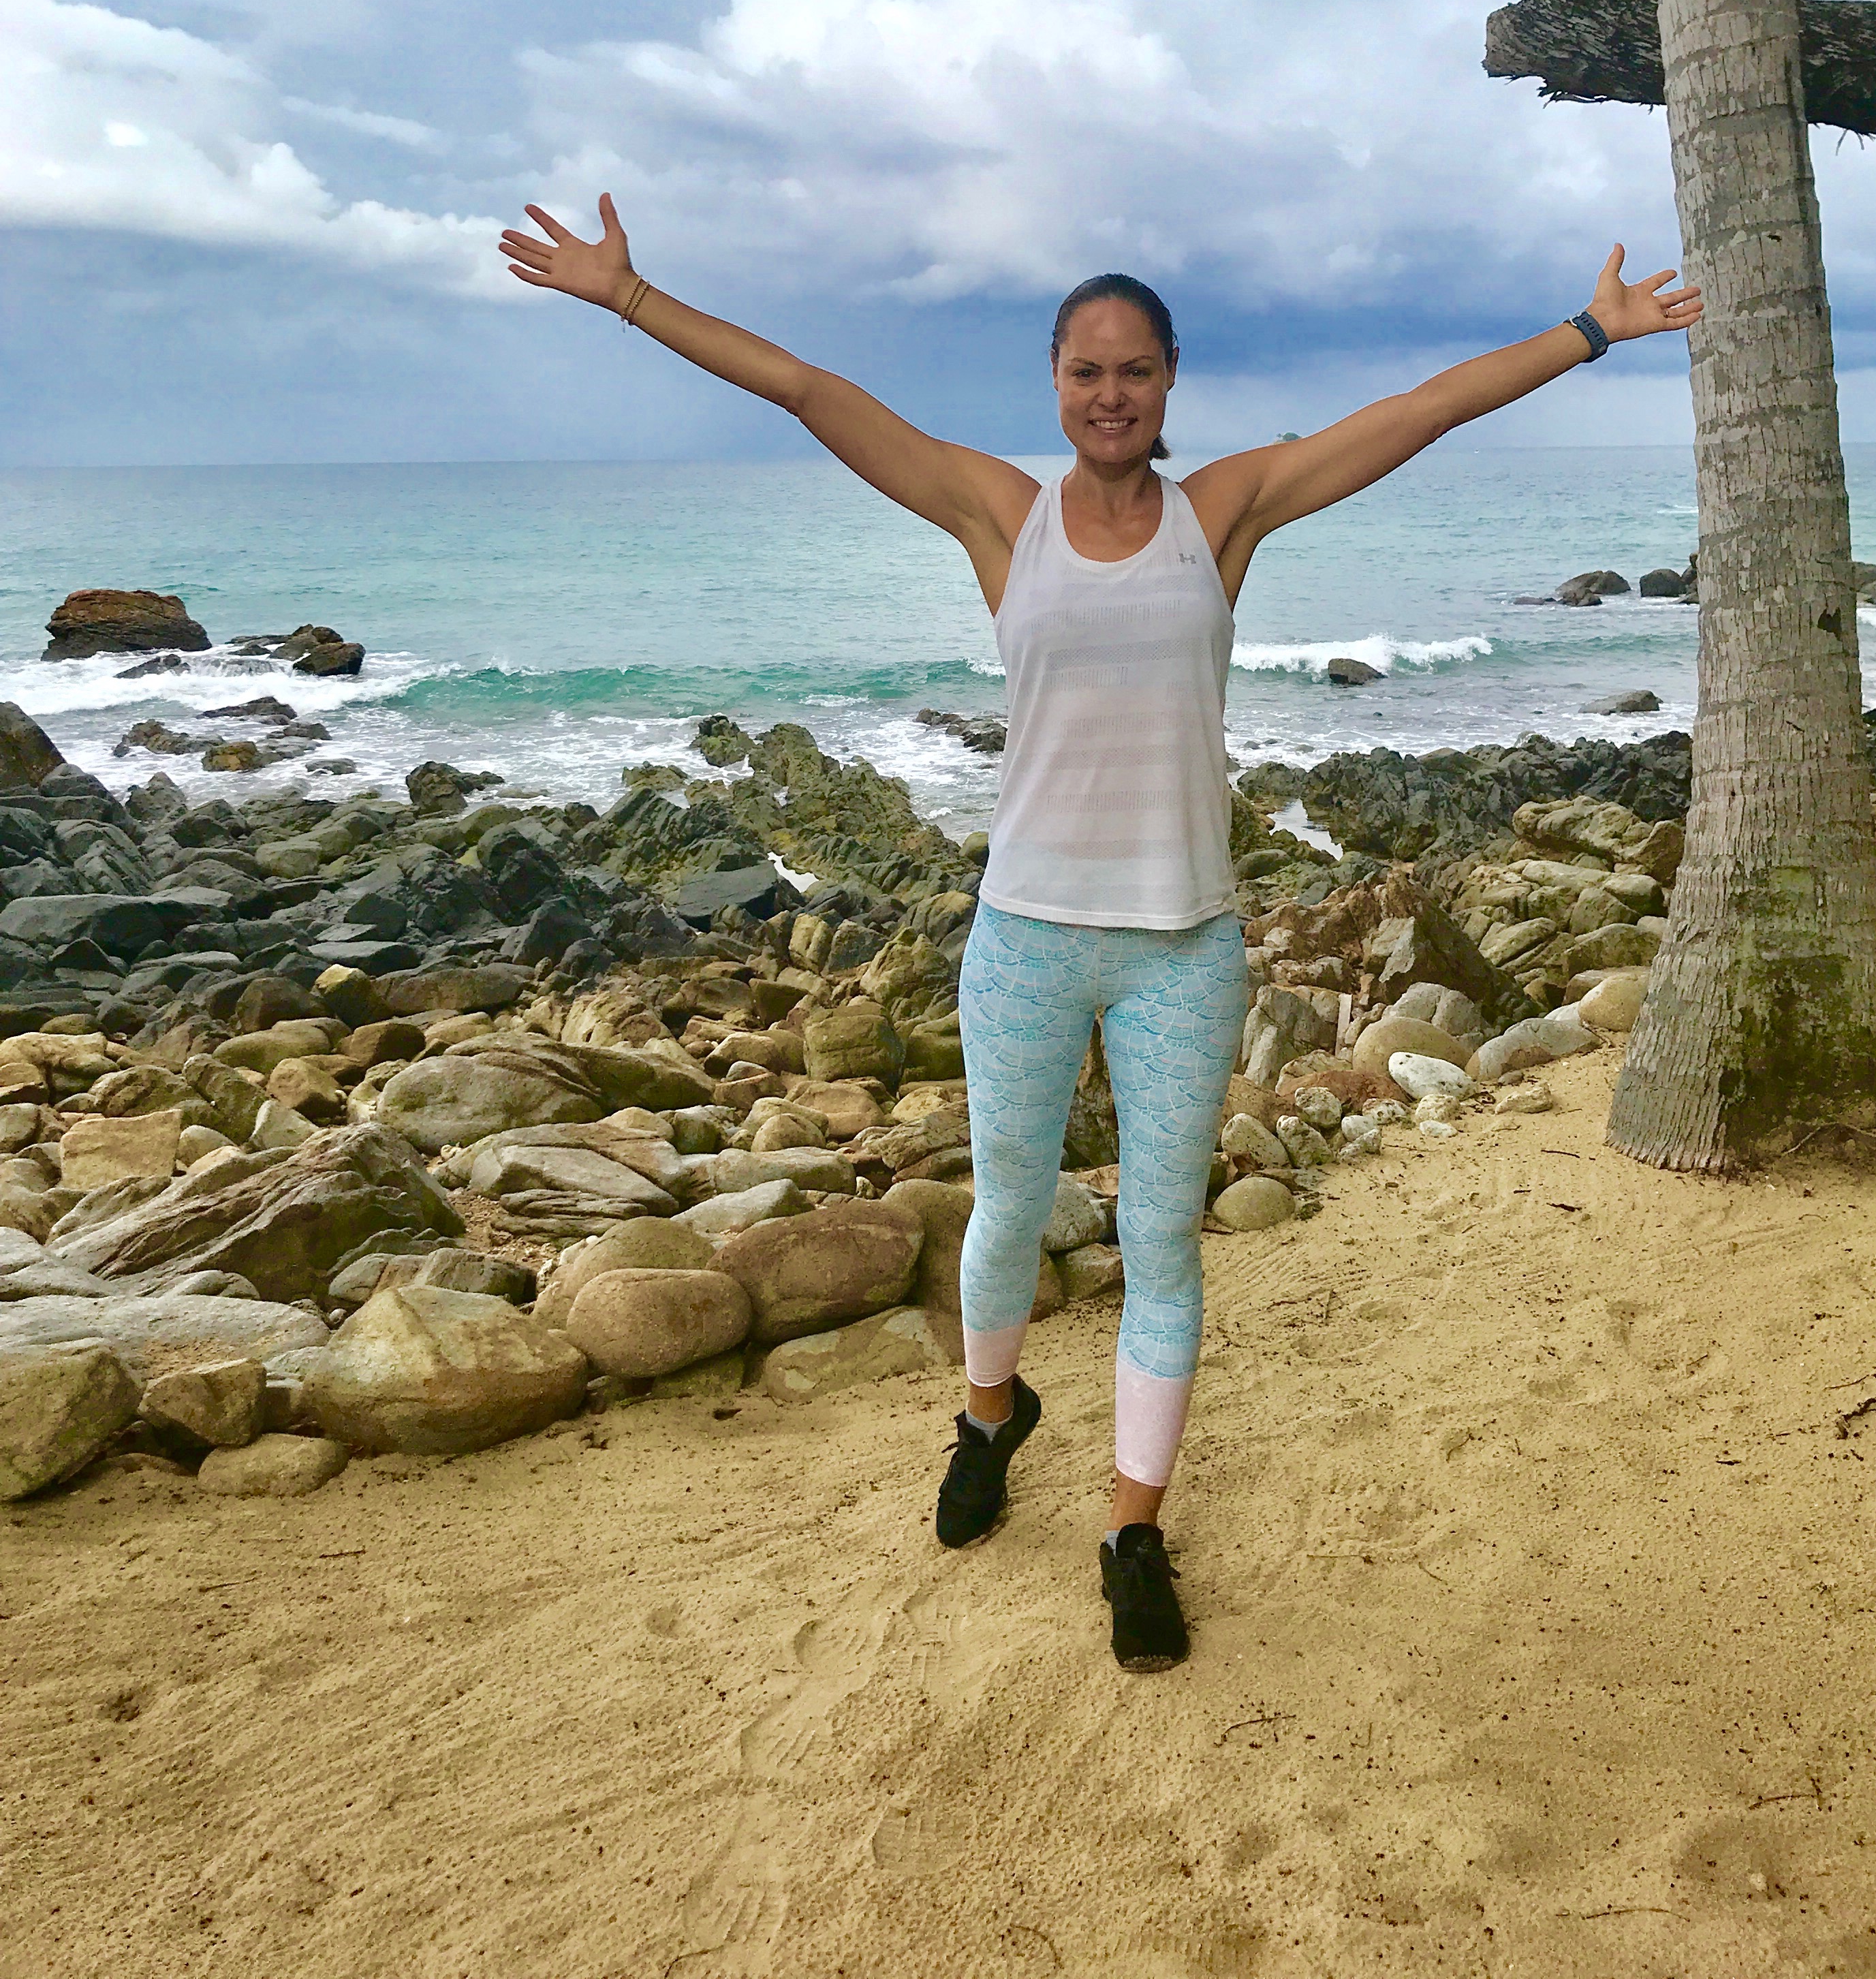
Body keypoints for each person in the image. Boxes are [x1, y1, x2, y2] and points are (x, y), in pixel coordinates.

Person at [499, 193, 1702, 1670]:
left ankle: (1134, 1529)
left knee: (1161, 1245)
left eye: (1135, 370)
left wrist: (1592, 333)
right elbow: (811, 391)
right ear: (1054, 385)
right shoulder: (999, 514)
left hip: (1181, 945)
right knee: (1006, 1214)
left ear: (1171, 380)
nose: (1111, 394)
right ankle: (991, 1417)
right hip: (1025, 940)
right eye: (1085, 371)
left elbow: (1421, 412)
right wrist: (631, 299)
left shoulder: (1224, 514)